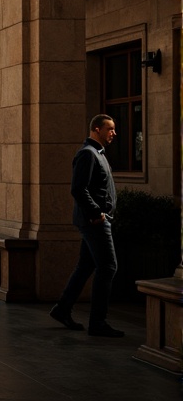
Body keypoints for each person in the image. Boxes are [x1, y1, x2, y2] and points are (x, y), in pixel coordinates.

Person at [50, 114, 123, 337]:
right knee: (108, 267)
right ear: (96, 129)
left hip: (98, 220)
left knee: (86, 266)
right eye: (109, 129)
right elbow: (78, 189)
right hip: (95, 222)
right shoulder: (87, 154)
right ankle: (97, 323)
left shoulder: (98, 153)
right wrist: (96, 213)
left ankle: (62, 309)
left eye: (114, 129)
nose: (114, 133)